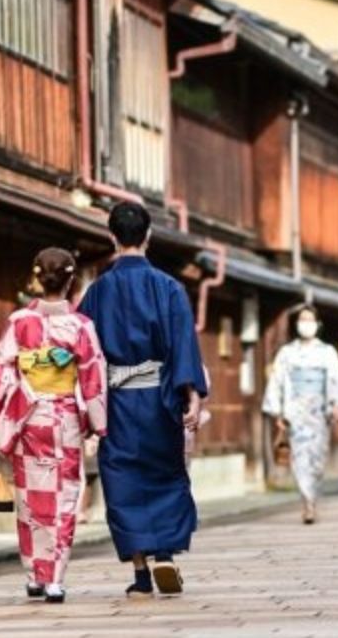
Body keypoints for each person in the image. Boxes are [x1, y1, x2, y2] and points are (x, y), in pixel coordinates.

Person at [78, 202, 208, 597]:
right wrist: (193, 395)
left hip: (116, 403)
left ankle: (139, 572)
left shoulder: (97, 292)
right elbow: (184, 344)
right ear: (148, 236)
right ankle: (165, 553)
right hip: (159, 400)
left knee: (122, 482)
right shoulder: (169, 288)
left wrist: (86, 408)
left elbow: (83, 350)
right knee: (165, 474)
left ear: (112, 237)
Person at [0, 248, 108, 603]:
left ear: (36, 278)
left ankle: (34, 574)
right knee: (64, 497)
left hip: (27, 418)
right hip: (65, 421)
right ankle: (55, 579)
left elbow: (0, 369)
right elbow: (92, 376)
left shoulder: (19, 322)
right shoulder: (81, 326)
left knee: (29, 499)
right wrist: (98, 421)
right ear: (71, 279)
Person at [263, 305, 338, 524]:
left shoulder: (327, 352)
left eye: (310, 320)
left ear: (317, 324)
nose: (306, 324)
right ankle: (308, 503)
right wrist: (277, 412)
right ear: (297, 324)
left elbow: (336, 379)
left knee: (317, 457)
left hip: (319, 411)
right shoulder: (287, 352)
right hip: (295, 410)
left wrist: (337, 404)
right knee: (300, 457)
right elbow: (277, 381)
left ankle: (312, 496)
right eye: (302, 320)